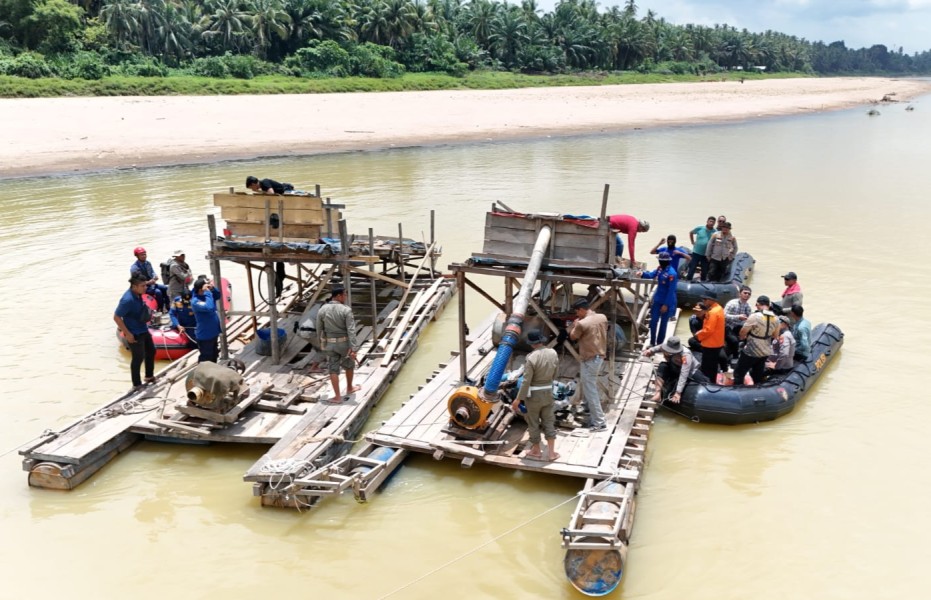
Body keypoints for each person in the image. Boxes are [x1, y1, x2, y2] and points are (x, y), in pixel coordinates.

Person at [512, 330, 560, 461]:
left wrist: (518, 399)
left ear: (532, 344)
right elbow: (555, 374)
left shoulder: (531, 358)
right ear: (542, 340)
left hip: (533, 396)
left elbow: (526, 381)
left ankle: (536, 451)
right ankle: (551, 453)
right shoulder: (553, 353)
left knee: (533, 423)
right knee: (549, 422)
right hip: (548, 393)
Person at [316, 285, 361, 403]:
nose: (346, 297)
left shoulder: (322, 309)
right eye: (345, 294)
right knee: (349, 365)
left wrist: (322, 343)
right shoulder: (346, 310)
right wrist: (354, 348)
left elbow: (319, 329)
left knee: (333, 369)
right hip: (344, 344)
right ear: (338, 296)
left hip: (330, 344)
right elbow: (351, 330)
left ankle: (337, 397)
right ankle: (350, 388)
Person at [569, 298, 608, 432]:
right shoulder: (602, 317)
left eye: (577, 312)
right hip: (599, 356)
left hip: (589, 359)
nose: (576, 314)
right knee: (588, 385)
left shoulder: (581, 323)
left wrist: (574, 325)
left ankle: (599, 423)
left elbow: (573, 337)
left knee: (590, 389)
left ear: (581, 310)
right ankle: (587, 407)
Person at [114, 273, 156, 391]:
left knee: (151, 351)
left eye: (145, 285)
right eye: (143, 286)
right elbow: (116, 317)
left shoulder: (138, 295)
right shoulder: (127, 300)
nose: (145, 288)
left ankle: (149, 376)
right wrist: (127, 334)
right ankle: (136, 384)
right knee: (138, 358)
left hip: (143, 328)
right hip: (134, 332)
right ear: (134, 286)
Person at [642, 336, 709, 404]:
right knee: (663, 366)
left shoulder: (686, 355)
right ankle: (657, 394)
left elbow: (684, 374)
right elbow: (658, 348)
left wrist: (678, 392)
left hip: (689, 371)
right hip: (674, 367)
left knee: (702, 382)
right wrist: (650, 351)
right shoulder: (665, 347)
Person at [735, 295, 780, 385]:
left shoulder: (754, 316)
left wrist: (744, 338)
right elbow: (775, 336)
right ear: (769, 305)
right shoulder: (776, 319)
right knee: (757, 374)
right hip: (765, 351)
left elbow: (742, 332)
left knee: (739, 373)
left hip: (752, 350)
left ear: (758, 304)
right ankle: (757, 388)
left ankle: (738, 388)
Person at [637, 251, 678, 346]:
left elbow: (671, 291)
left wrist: (666, 305)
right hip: (657, 300)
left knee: (663, 323)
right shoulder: (659, 269)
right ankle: (652, 342)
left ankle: (659, 343)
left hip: (666, 301)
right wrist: (642, 274)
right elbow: (651, 275)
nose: (660, 262)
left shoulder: (672, 274)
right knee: (653, 321)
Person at [692, 292, 725, 381]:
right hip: (717, 342)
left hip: (710, 344)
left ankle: (707, 382)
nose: (703, 301)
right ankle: (712, 380)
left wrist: (697, 336)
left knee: (707, 367)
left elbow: (708, 330)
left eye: (705, 299)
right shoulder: (719, 308)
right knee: (713, 365)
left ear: (711, 300)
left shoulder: (712, 312)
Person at [191, 277, 222, 363]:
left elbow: (218, 296)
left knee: (214, 355)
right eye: (206, 286)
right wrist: (207, 292)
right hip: (205, 335)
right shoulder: (195, 301)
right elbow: (209, 307)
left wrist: (213, 288)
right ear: (201, 289)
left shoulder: (207, 296)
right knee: (206, 358)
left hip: (213, 332)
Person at [130, 246, 169, 312]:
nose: (144, 256)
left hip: (151, 284)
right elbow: (137, 282)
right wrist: (148, 282)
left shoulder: (148, 263)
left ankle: (168, 306)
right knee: (158, 292)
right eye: (141, 255)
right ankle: (160, 309)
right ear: (137, 256)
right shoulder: (134, 268)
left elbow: (152, 272)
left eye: (144, 254)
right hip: (143, 287)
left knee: (166, 288)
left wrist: (155, 276)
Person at [723, 285, 753, 358]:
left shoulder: (748, 306)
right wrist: (738, 317)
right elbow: (723, 316)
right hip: (728, 326)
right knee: (734, 341)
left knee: (752, 336)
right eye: (745, 293)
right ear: (739, 294)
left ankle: (746, 352)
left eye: (749, 294)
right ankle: (735, 357)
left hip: (740, 326)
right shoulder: (731, 303)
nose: (747, 295)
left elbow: (749, 318)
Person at [687, 216, 717, 281]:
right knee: (692, 268)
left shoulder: (715, 232)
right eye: (710, 221)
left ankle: (703, 282)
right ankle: (688, 280)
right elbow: (691, 232)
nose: (711, 223)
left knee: (704, 270)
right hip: (696, 252)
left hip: (706, 255)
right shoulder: (700, 228)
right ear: (707, 221)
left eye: (713, 222)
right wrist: (692, 242)